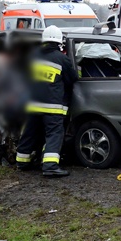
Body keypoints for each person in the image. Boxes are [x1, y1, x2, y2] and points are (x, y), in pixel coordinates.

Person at [15, 26, 78, 176]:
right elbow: (72, 79)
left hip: (32, 105)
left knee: (29, 133)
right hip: (52, 107)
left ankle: (22, 163)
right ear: (59, 42)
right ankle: (50, 166)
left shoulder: (32, 56)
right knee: (54, 134)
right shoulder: (62, 59)